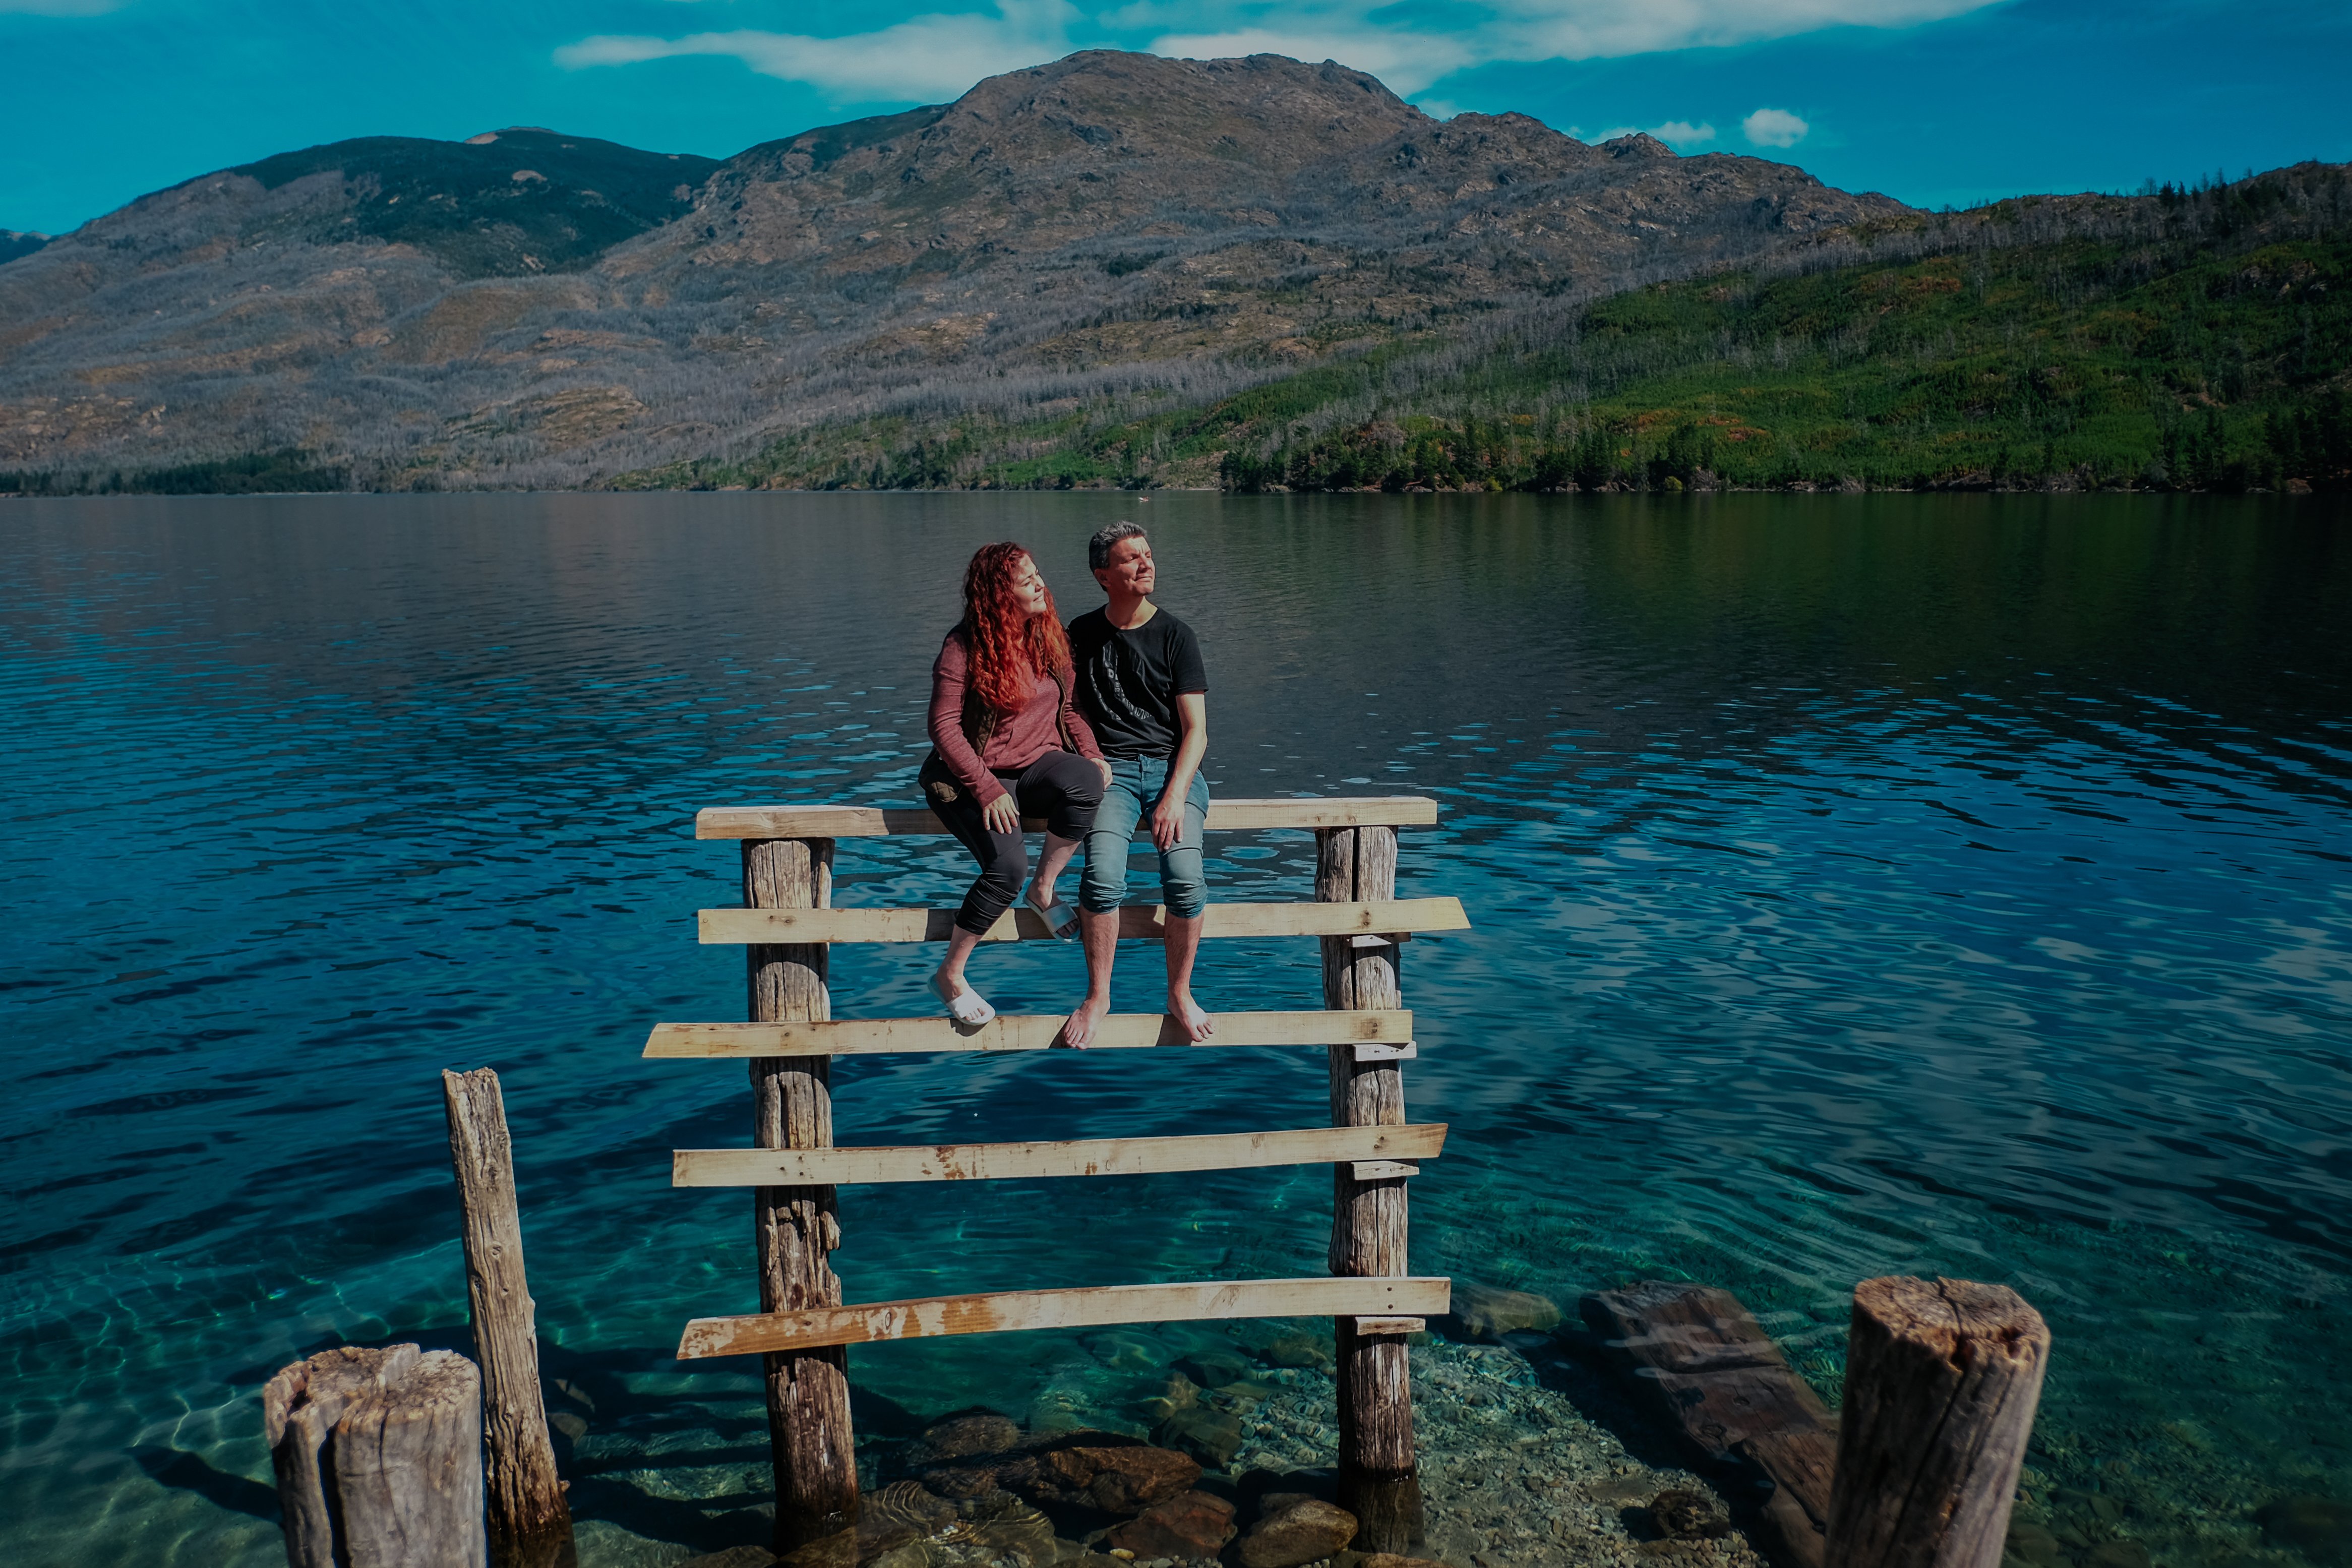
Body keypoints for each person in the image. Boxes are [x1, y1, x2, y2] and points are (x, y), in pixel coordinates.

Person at [920, 541, 1109, 1028]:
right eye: (1027, 582)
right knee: (1006, 867)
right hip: (970, 777)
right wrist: (986, 788)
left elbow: (1067, 711)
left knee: (1087, 780)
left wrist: (1090, 752)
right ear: (1001, 594)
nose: (1040, 584)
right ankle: (951, 974)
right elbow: (943, 727)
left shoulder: (1050, 638)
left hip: (1036, 768)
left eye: (1038, 575)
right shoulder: (963, 647)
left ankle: (1044, 889)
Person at [1064, 521, 1213, 1047]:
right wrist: (1091, 759)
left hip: (1174, 770)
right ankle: (1099, 994)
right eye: (1132, 559)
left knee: (1186, 879)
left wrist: (1174, 794)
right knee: (1102, 878)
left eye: (1148, 554)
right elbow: (1065, 710)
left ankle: (1179, 990)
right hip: (1112, 774)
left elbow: (1196, 731)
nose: (1147, 564)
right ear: (1104, 575)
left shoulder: (1176, 636)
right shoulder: (1077, 635)